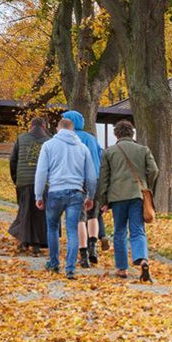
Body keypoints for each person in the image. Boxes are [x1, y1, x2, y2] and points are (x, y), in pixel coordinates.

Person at [34, 117, 97, 279]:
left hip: (55, 191)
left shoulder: (48, 146)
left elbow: (41, 172)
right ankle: (70, 268)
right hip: (76, 193)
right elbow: (91, 176)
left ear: (57, 129)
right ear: (73, 130)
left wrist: (39, 195)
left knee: (53, 228)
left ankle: (54, 263)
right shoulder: (82, 148)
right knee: (72, 230)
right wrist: (90, 196)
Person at [96, 120, 157, 282]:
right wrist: (146, 185)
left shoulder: (109, 152)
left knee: (120, 232)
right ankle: (142, 259)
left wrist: (103, 199)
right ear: (132, 133)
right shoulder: (143, 150)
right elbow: (154, 170)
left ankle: (122, 268)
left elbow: (104, 179)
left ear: (116, 134)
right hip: (137, 195)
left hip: (117, 197)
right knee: (138, 230)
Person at [63, 109, 105, 264]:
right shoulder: (92, 138)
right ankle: (93, 247)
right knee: (93, 215)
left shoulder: (68, 138)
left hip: (76, 181)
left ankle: (83, 254)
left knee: (79, 218)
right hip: (95, 179)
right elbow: (100, 156)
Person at [8, 116, 50, 254]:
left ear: (30, 126)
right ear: (44, 127)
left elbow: (13, 161)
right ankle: (37, 244)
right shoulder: (49, 141)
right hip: (44, 183)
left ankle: (24, 241)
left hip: (24, 181)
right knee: (40, 214)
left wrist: (16, 178)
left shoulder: (21, 139)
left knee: (25, 212)